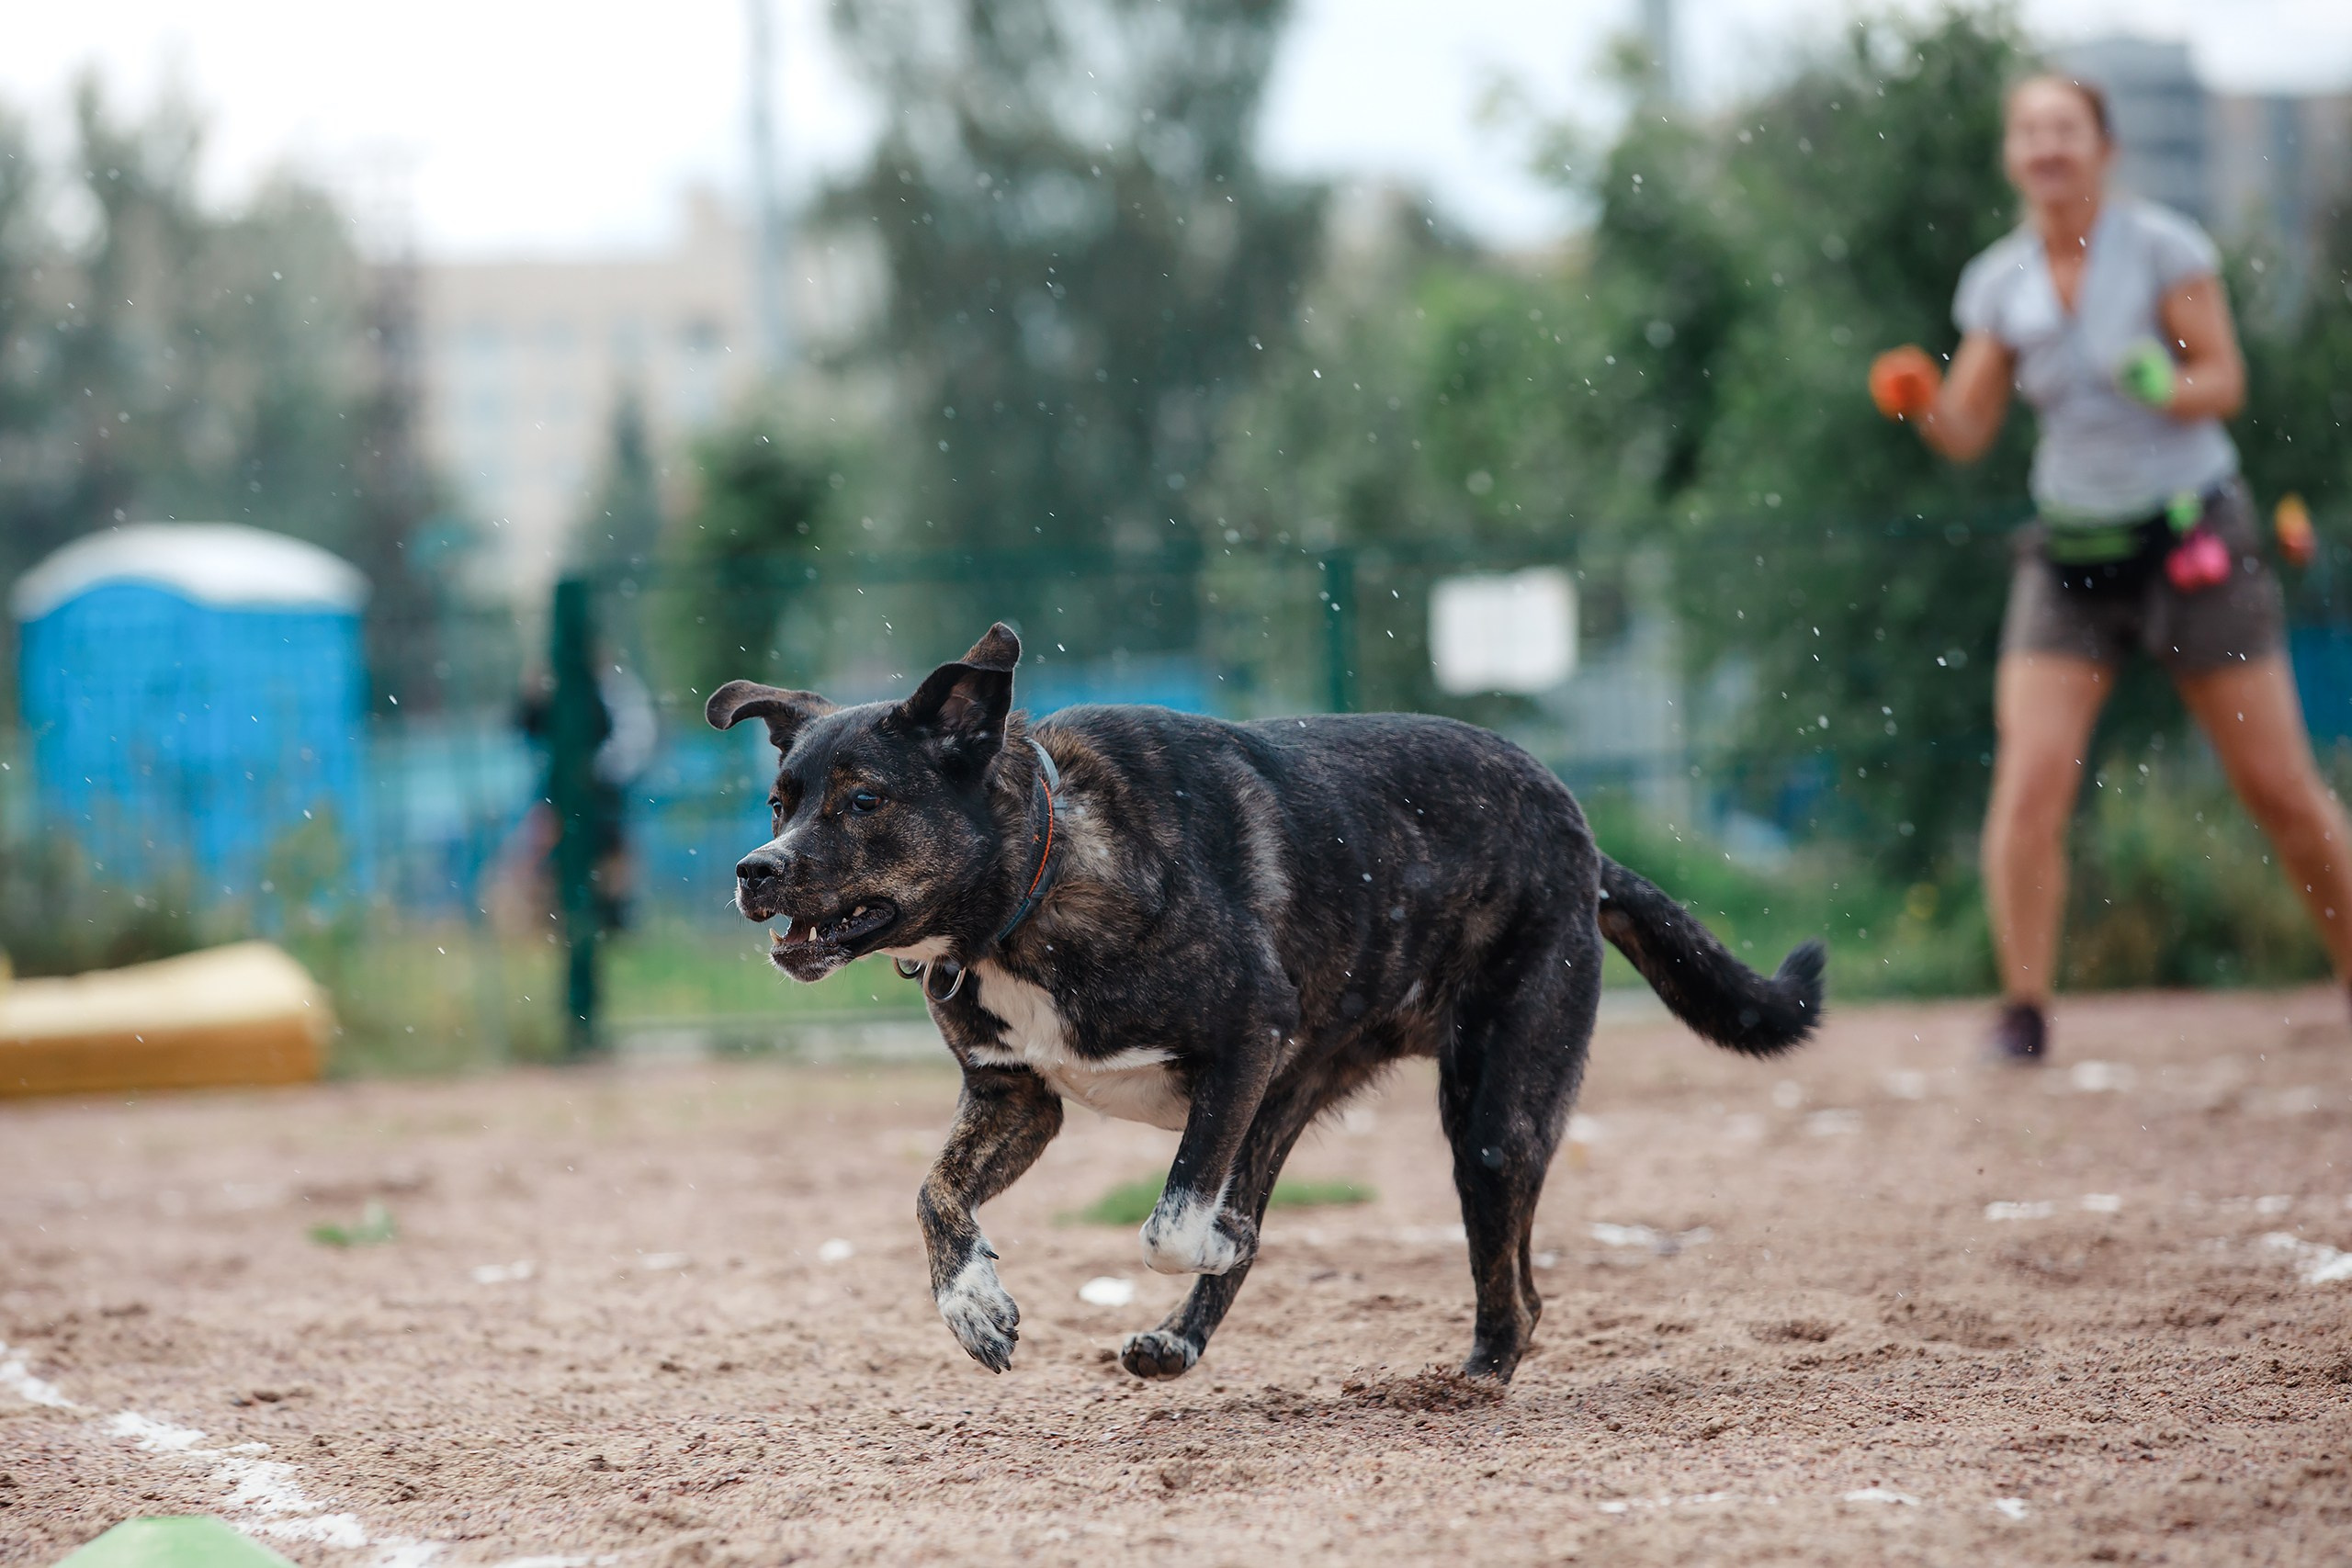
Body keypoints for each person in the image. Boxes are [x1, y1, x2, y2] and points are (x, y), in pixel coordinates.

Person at [1871, 72, 2352, 1061]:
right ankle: (2024, 1012)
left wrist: (2162, 382)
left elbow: (2222, 381)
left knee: (2277, 788)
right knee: (2032, 779)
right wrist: (1920, 397)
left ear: (2104, 147)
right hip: (2071, 554)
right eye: (2030, 130)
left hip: (2191, 537)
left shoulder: (2165, 249)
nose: (2047, 147)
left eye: (2066, 129)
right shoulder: (1998, 283)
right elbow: (1966, 431)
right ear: (2013, 155)